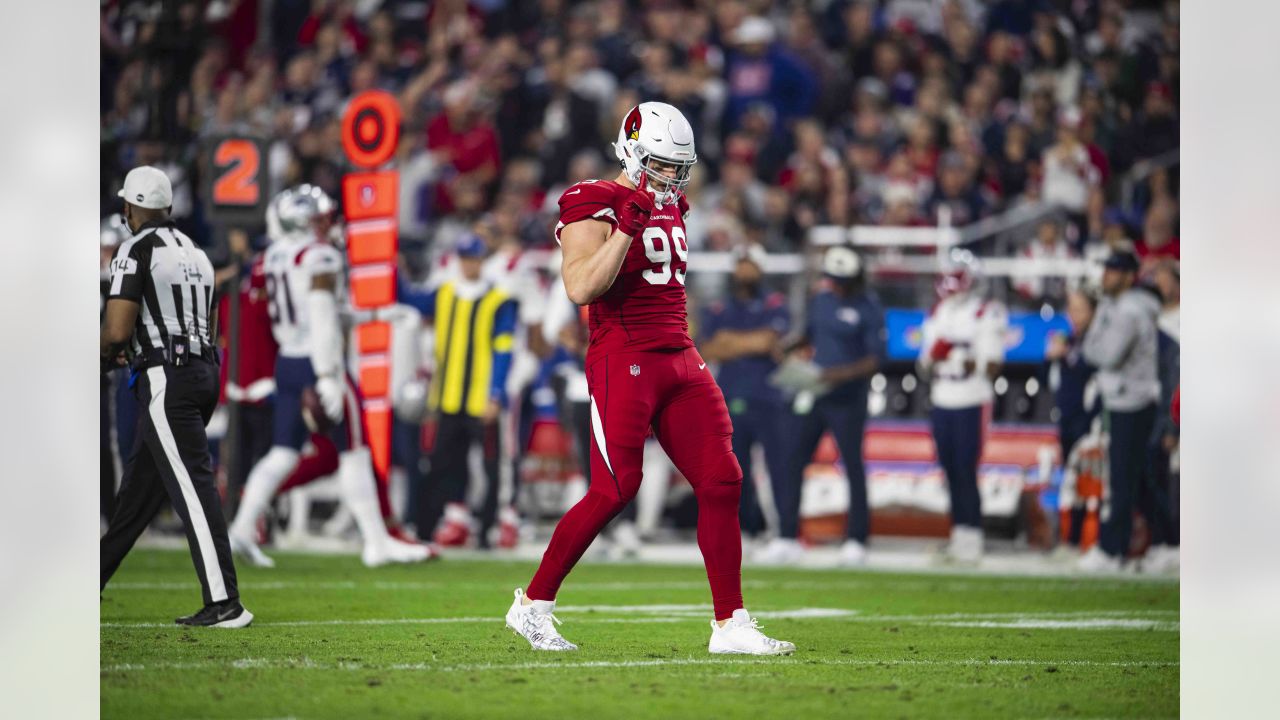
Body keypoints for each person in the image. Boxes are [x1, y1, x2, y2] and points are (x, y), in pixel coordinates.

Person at [504, 102, 794, 655]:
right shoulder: (593, 199)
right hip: (624, 356)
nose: (672, 177)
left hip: (679, 352)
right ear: (633, 152)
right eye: (662, 165)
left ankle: (730, 624)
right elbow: (582, 289)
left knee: (722, 479)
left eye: (678, 167)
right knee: (615, 487)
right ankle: (533, 605)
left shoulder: (672, 202)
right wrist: (623, 231)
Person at [228, 185, 432, 568]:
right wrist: (326, 375)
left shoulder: (272, 256)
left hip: (288, 360)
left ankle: (240, 528)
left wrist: (378, 315)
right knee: (354, 451)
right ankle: (376, 542)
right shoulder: (318, 255)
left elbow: (316, 313)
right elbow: (321, 316)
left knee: (284, 452)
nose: (328, 224)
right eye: (319, 218)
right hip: (318, 362)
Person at [100, 166, 252, 627]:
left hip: (168, 379)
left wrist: (108, 353)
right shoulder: (196, 252)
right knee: (138, 497)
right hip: (203, 370)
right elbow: (204, 320)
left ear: (132, 207)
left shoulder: (134, 249)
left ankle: (225, 602)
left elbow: (118, 329)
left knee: (192, 487)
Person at [760, 246, 883, 567]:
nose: (838, 285)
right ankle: (787, 536)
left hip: (847, 398)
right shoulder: (822, 300)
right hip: (815, 393)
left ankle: (857, 539)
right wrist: (786, 347)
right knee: (792, 460)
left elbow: (875, 360)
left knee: (852, 466)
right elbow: (808, 336)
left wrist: (837, 374)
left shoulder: (868, 306)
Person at [397, 234, 518, 549]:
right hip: (448, 398)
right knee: (440, 465)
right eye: (464, 257)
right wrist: (393, 267)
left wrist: (495, 393)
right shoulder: (445, 293)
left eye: (473, 257)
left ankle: (488, 529)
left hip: (480, 399)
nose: (468, 264)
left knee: (490, 467)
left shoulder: (498, 299)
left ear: (481, 260)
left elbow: (504, 350)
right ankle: (425, 528)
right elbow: (407, 298)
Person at [917, 249, 1008, 564]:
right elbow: (924, 365)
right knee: (949, 469)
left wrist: (961, 357)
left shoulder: (986, 312)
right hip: (943, 395)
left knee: (966, 469)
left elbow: (994, 365)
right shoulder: (937, 313)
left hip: (972, 396)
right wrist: (935, 357)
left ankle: (972, 537)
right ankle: (959, 534)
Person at [1078, 250, 1164, 572]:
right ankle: (1167, 541)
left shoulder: (1131, 310)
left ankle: (1113, 549)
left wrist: (1095, 342)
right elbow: (1091, 349)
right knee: (1138, 478)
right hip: (1122, 399)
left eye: (1114, 271)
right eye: (1106, 269)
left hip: (1133, 399)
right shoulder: (1114, 305)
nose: (1106, 275)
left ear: (1130, 275)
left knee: (1124, 479)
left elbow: (1107, 354)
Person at [698, 244, 791, 540]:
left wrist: (730, 342)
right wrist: (748, 342)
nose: (744, 270)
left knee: (779, 467)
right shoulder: (719, 306)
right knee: (735, 471)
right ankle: (746, 529)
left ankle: (784, 531)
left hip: (768, 397)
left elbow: (768, 341)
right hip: (729, 398)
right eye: (740, 264)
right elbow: (707, 349)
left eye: (749, 264)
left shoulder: (774, 302)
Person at [1045, 288, 1101, 462]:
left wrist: (1068, 354)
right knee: (1068, 469)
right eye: (1071, 310)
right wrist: (1049, 358)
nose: (1074, 316)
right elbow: (1045, 380)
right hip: (1066, 417)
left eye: (1080, 310)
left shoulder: (1099, 342)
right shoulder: (1067, 339)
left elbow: (1092, 370)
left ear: (1092, 311)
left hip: (1090, 420)